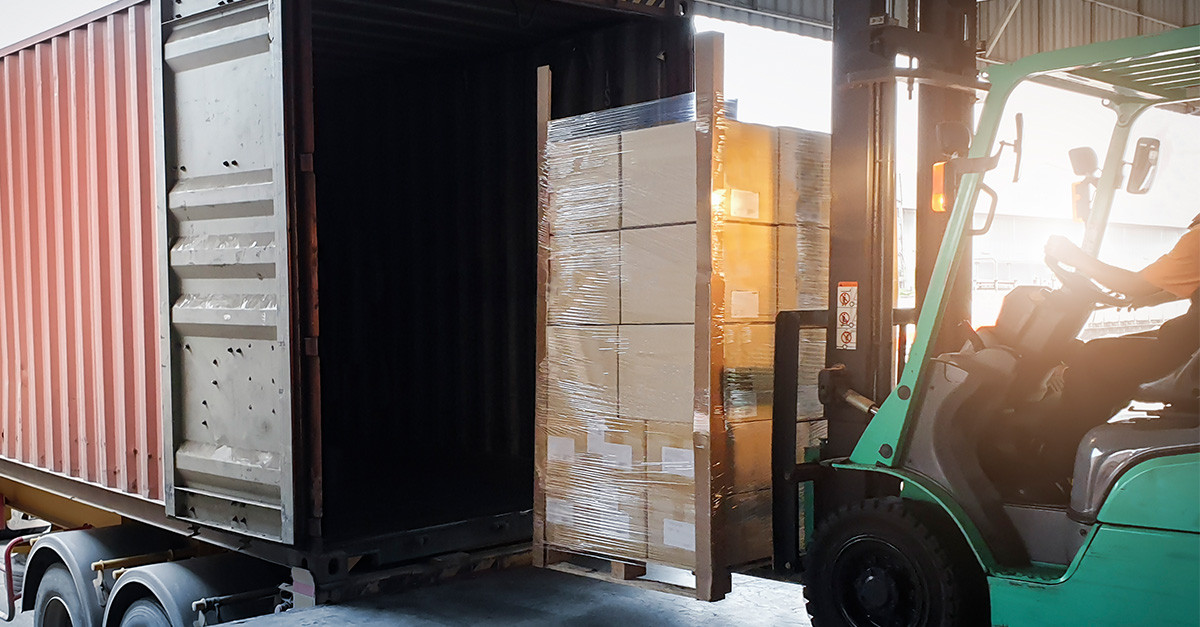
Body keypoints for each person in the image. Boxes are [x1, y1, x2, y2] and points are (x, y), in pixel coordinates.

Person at [1040, 214, 1199, 478]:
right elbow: (1185, 280)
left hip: (1191, 348)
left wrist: (1073, 255)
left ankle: (1061, 468)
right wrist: (1152, 299)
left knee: (1091, 358)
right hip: (1192, 339)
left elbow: (1133, 283)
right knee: (1114, 349)